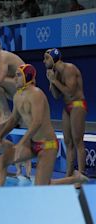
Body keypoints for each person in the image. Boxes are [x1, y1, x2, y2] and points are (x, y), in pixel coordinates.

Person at [0, 64, 87, 186]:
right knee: (1, 161)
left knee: (41, 186)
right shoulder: (17, 96)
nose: (14, 79)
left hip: (47, 145)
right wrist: (0, 136)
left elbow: (37, 122)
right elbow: (14, 119)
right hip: (31, 143)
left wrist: (21, 143)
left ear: (27, 77)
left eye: (18, 75)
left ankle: (76, 179)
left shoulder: (36, 94)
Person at [44, 48, 87, 177]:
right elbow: (57, 96)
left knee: (77, 141)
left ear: (53, 58)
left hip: (77, 104)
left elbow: (70, 92)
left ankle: (81, 174)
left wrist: (55, 81)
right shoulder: (55, 73)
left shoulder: (69, 69)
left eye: (46, 58)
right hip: (67, 106)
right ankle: (69, 175)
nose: (44, 61)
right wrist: (51, 82)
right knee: (68, 142)